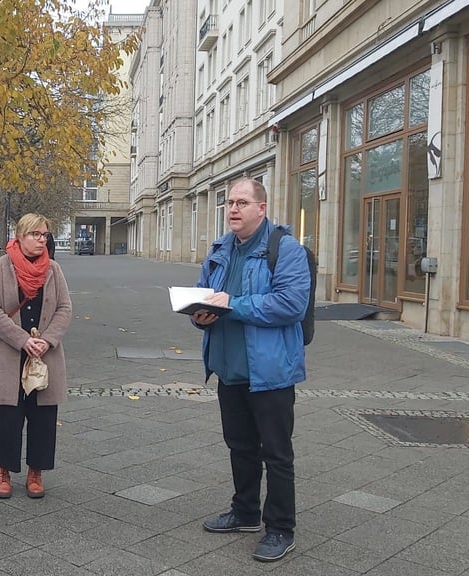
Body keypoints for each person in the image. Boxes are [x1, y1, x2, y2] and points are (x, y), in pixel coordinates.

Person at [192, 178, 309, 563]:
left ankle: (280, 528)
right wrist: (201, 316)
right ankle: (245, 513)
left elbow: (290, 304)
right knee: (240, 446)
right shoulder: (220, 249)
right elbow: (204, 293)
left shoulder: (285, 249)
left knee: (276, 453)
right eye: (229, 202)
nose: (233, 209)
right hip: (229, 369)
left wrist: (234, 305)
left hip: (270, 373)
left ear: (262, 207)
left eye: (242, 202)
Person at [0, 213, 72, 499]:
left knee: (43, 416)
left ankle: (36, 471)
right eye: (35, 234)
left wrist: (47, 340)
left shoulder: (54, 270)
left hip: (45, 355)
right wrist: (23, 340)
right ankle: (3, 471)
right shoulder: (1, 267)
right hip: (11, 353)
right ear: (20, 236)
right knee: (8, 415)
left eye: (44, 235)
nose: (41, 240)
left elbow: (64, 309)